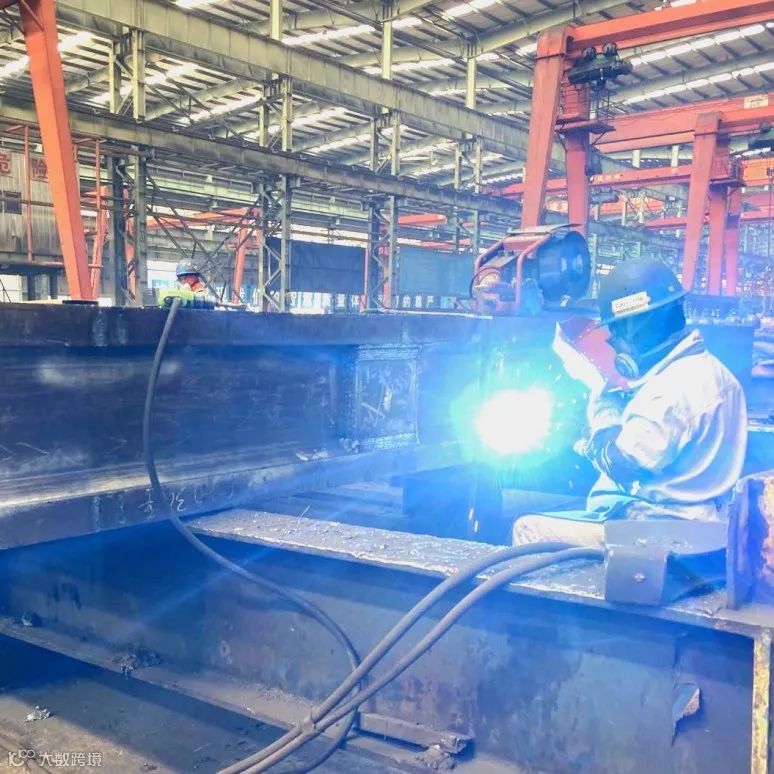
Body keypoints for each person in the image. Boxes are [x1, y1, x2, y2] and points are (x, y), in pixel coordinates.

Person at [513, 257, 748, 547]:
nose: (612, 339)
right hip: (706, 522)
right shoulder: (712, 372)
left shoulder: (671, 390)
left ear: (634, 327)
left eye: (616, 330)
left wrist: (602, 418)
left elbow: (622, 464)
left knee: (528, 528)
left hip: (664, 530)